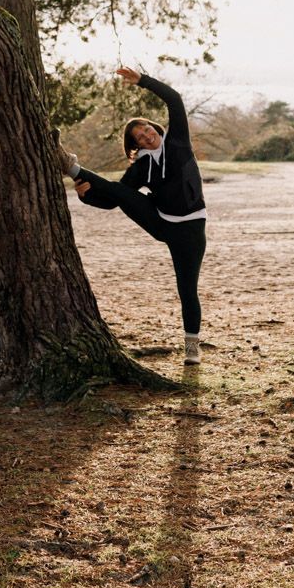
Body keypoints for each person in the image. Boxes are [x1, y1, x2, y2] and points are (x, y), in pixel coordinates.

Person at [54, 67, 206, 365]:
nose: (147, 136)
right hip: (162, 223)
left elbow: (174, 100)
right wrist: (89, 197)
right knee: (120, 191)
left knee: (187, 290)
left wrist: (143, 82)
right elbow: (115, 199)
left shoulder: (178, 143)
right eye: (140, 137)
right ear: (136, 145)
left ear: (155, 127)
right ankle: (70, 167)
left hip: (191, 230)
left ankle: (192, 350)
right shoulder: (142, 166)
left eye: (147, 130)